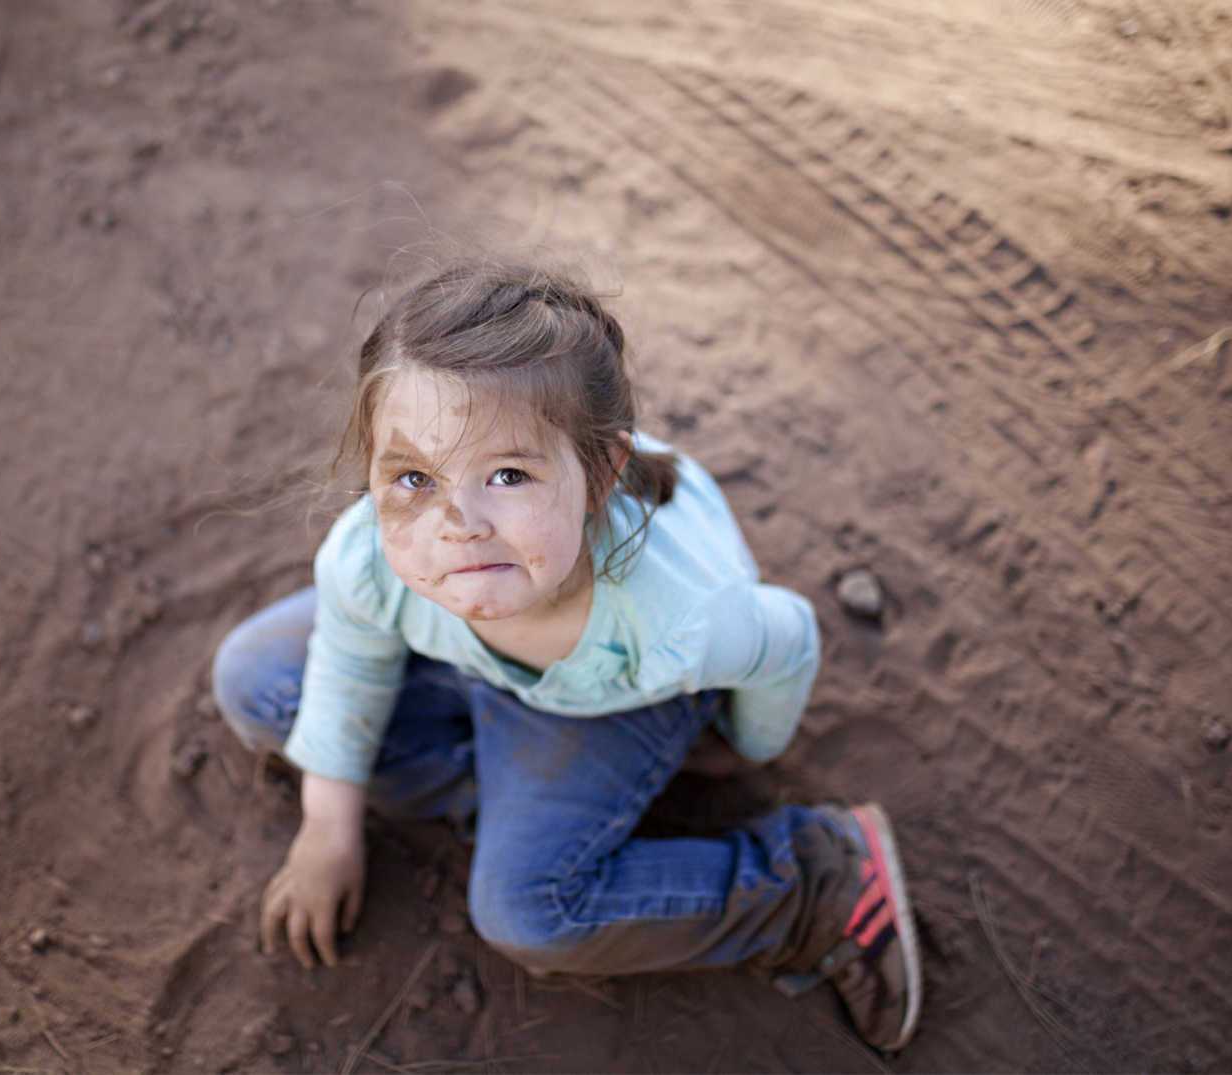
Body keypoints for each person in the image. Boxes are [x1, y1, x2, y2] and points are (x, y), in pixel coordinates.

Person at [210, 259, 922, 1052]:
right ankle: (522, 786)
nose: (458, 521)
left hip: (613, 693)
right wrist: (329, 825)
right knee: (253, 682)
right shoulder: (376, 561)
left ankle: (818, 883)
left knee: (534, 913)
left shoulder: (679, 620)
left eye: (508, 474)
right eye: (414, 475)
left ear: (600, 475)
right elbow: (352, 658)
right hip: (468, 653)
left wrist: (740, 743)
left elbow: (787, 638)